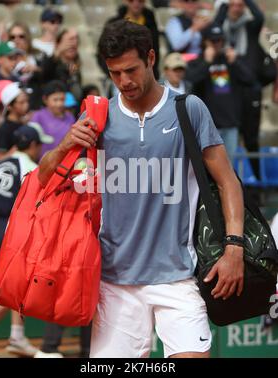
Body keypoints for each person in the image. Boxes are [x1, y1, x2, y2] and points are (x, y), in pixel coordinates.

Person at [38, 20, 245, 358]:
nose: (124, 81)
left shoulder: (188, 108)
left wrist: (233, 248)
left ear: (151, 58)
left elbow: (227, 181)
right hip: (114, 281)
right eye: (114, 73)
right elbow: (43, 180)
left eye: (131, 70)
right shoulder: (99, 116)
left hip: (178, 276)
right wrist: (64, 146)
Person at [0, 123, 53, 358]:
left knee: (17, 286)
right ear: (32, 145)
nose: (41, 149)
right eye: (40, 144)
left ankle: (17, 336)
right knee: (13, 287)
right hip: (14, 233)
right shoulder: (32, 168)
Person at [186, 24, 255, 160]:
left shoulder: (231, 60)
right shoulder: (198, 61)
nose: (217, 44)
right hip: (207, 125)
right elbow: (191, 80)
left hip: (230, 123)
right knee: (207, 168)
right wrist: (206, 62)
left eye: (219, 40)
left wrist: (236, 63)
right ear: (205, 42)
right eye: (213, 41)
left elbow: (250, 80)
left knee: (229, 168)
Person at [214, 0, 266, 178]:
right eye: (232, 4)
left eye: (239, 5)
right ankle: (229, 180)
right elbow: (215, 26)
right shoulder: (222, 28)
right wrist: (223, 7)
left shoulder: (250, 27)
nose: (236, 8)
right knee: (228, 134)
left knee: (251, 138)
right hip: (228, 88)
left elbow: (259, 17)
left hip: (249, 87)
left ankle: (257, 180)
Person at [104, 0, 160, 79]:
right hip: (120, 75)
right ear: (125, 1)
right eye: (131, 0)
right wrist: (113, 74)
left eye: (140, 0)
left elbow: (156, 50)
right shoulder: (113, 24)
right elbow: (104, 51)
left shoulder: (151, 23)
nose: (136, 3)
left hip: (146, 74)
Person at [30, 80, 75, 159]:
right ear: (45, 99)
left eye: (62, 99)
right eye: (55, 100)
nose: (59, 104)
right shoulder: (38, 117)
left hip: (65, 162)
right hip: (43, 162)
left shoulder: (70, 117)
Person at [40, 28, 82, 102]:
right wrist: (58, 51)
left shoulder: (75, 67)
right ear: (58, 44)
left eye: (76, 40)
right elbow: (44, 74)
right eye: (70, 40)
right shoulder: (50, 62)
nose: (74, 43)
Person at [0, 80, 30, 160]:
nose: (26, 105)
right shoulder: (4, 130)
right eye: (22, 102)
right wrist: (14, 152)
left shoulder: (25, 122)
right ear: (9, 106)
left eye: (27, 101)